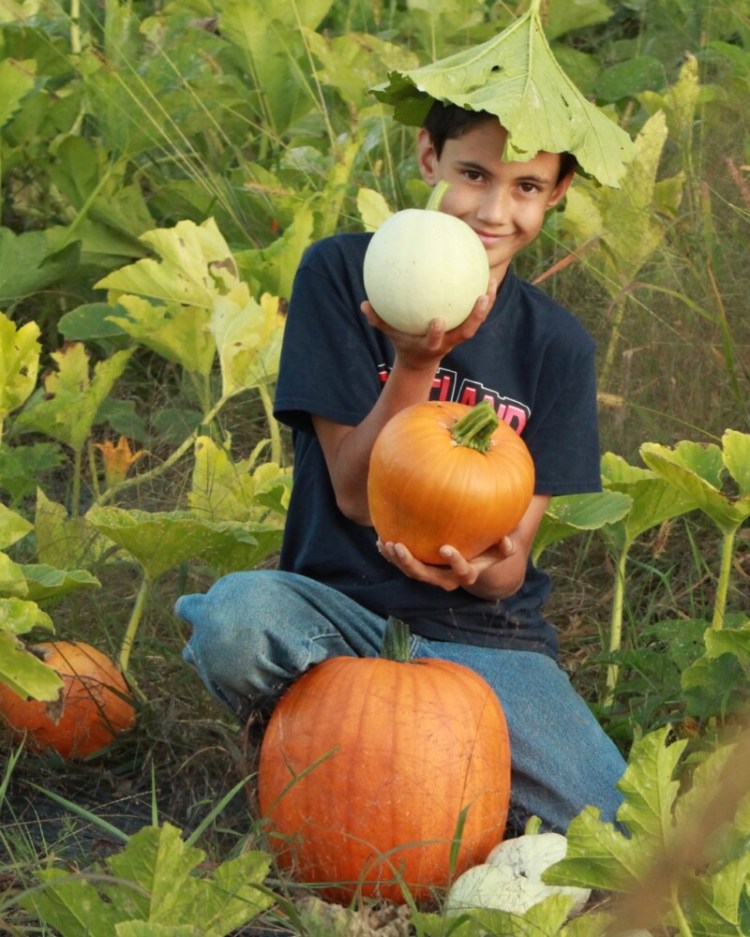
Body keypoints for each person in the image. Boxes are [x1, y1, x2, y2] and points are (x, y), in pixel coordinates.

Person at [174, 99, 627, 835]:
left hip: (484, 640)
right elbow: (356, 493)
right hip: (335, 620)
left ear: (558, 193)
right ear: (429, 159)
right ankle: (315, 749)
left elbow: (512, 566)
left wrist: (476, 566)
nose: (492, 209)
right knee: (236, 621)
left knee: (618, 830)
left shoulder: (556, 346)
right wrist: (418, 361)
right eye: (473, 173)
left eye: (526, 187)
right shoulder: (343, 273)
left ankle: (450, 777)